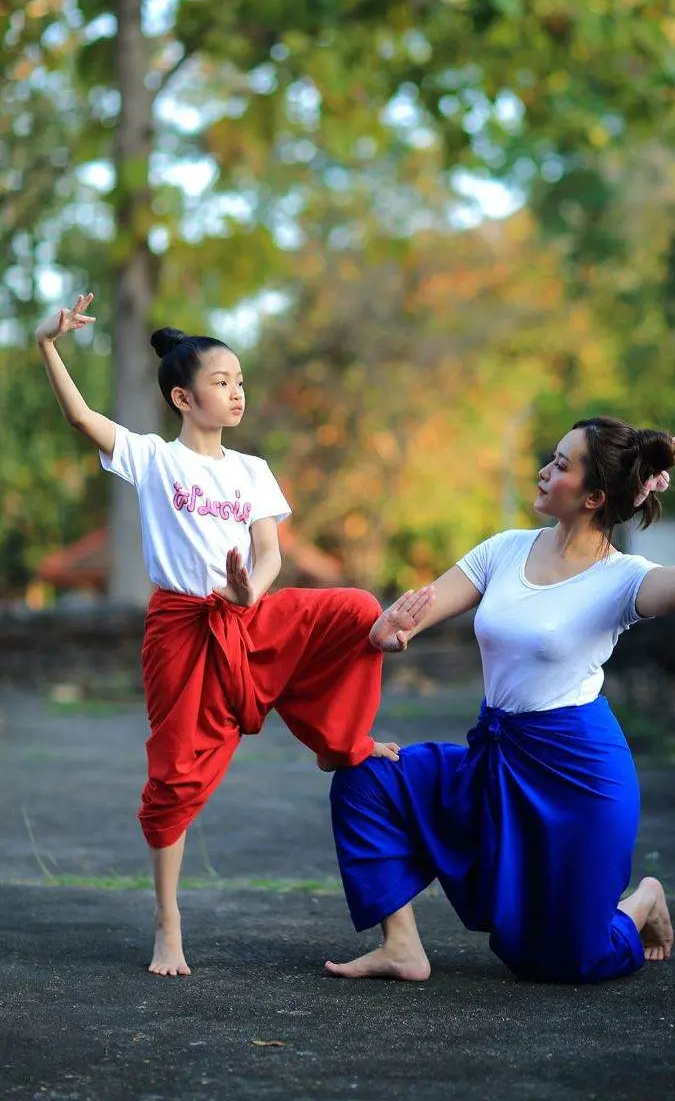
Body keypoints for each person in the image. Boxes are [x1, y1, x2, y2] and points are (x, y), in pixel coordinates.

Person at [35, 294, 427, 978]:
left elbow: (268, 552)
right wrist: (48, 345)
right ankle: (168, 923)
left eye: (240, 381)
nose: (236, 392)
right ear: (183, 397)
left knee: (352, 608)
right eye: (222, 382)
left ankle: (344, 744)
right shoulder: (155, 460)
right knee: (174, 779)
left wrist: (254, 592)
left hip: (250, 613)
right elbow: (79, 417)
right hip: (183, 628)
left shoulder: (252, 472)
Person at [325, 416, 675, 984]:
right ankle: (402, 947)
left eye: (560, 465)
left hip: (578, 775)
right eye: (550, 459)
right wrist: (391, 631)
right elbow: (420, 609)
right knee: (365, 780)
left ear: (595, 496)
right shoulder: (504, 551)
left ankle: (641, 902)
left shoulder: (624, 579)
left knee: (564, 962)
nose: (543, 471)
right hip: (495, 758)